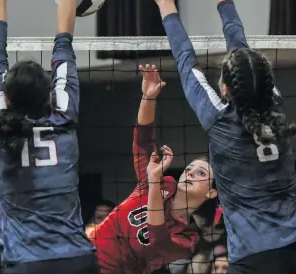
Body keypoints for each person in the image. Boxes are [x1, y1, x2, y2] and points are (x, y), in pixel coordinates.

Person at [136, 0, 296, 274]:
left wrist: (165, 3)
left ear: (223, 88)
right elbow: (241, 47)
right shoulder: (274, 103)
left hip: (253, 257)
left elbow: (185, 59)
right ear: (267, 79)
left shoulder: (218, 120)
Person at [0, 0, 99, 274]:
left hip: (27, 264)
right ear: (49, 96)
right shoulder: (64, 115)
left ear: (5, 95)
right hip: (77, 260)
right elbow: (63, 43)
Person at [88, 64, 219, 273]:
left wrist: (154, 182)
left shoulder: (189, 238)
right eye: (189, 168)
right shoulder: (164, 182)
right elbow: (143, 142)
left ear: (211, 192)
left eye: (201, 173)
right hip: (85, 252)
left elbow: (157, 234)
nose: (190, 173)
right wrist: (148, 98)